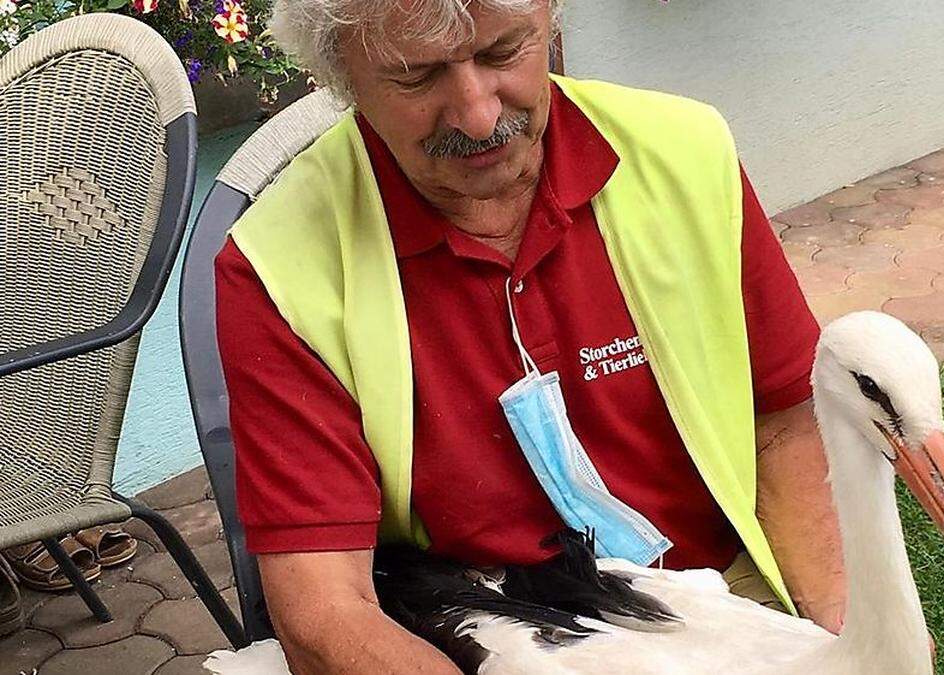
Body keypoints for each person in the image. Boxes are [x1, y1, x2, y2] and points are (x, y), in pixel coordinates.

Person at [214, 1, 845, 672]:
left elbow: (785, 421)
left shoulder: (686, 153)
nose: (478, 115)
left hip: (722, 605)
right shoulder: (277, 266)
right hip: (480, 643)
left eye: (501, 52)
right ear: (341, 79)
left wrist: (852, 628)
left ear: (550, 18)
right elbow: (324, 612)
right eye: (416, 77)